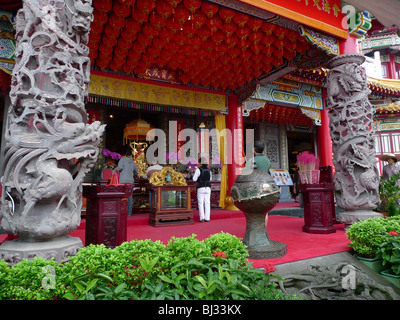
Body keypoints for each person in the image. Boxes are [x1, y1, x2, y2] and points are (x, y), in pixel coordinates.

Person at [115, 149, 139, 216]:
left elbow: (120, 167)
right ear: (131, 155)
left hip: (123, 181)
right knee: (129, 196)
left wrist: (115, 170)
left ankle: (121, 212)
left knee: (122, 196)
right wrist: (136, 175)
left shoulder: (122, 160)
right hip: (130, 181)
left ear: (125, 154)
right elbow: (136, 171)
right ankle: (129, 213)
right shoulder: (132, 162)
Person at [193, 158, 212, 222]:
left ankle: (202, 218)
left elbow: (194, 179)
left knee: (201, 203)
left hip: (201, 187)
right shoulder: (209, 170)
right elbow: (210, 179)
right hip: (208, 187)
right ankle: (207, 218)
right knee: (207, 203)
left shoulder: (198, 169)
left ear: (200, 163)